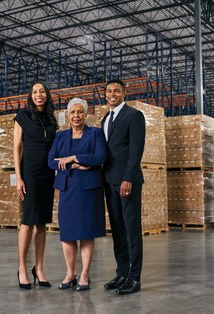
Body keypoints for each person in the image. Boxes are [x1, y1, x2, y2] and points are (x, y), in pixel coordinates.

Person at [48, 97, 106, 291]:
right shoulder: (60, 136)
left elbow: (100, 156)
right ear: (67, 114)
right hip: (67, 188)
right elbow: (51, 161)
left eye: (80, 111)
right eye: (72, 112)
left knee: (87, 234)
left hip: (89, 190)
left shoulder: (96, 133)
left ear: (86, 113)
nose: (76, 116)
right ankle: (70, 273)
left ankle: (85, 275)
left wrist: (73, 157)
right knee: (68, 234)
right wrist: (75, 164)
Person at [101, 79, 146, 295]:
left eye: (116, 91)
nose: (112, 94)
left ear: (124, 93)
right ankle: (121, 273)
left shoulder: (134, 116)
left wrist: (128, 178)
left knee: (131, 230)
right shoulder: (105, 118)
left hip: (127, 182)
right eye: (109, 91)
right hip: (109, 181)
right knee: (117, 229)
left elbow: (136, 150)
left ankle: (134, 277)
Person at [13, 82, 58, 289]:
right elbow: (16, 148)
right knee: (28, 222)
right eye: (34, 92)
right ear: (30, 96)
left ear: (46, 95)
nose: (38, 95)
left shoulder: (51, 119)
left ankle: (38, 268)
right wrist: (19, 177)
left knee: (42, 223)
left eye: (42, 91)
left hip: (47, 174)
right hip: (30, 173)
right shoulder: (22, 116)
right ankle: (22, 268)